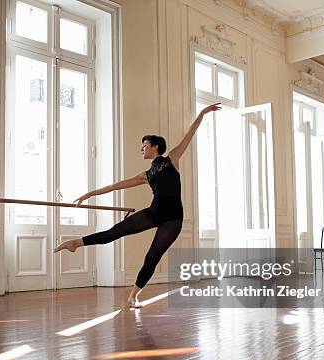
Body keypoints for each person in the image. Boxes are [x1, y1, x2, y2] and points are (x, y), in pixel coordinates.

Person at [54, 103, 222, 308]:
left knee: (152, 256)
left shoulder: (172, 159)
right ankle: (76, 243)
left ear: (155, 146)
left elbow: (190, 133)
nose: (142, 148)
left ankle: (133, 295)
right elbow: (115, 186)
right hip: (153, 213)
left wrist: (203, 113)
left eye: (144, 145)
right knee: (113, 232)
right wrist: (90, 193)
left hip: (173, 219)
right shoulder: (146, 175)